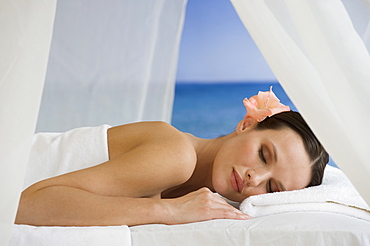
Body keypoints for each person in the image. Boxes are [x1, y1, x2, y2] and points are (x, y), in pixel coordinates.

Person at [15, 88, 328, 227]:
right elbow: (25, 205)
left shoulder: (196, 191)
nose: (254, 179)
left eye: (272, 189)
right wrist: (168, 211)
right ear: (247, 125)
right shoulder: (177, 155)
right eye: (263, 154)